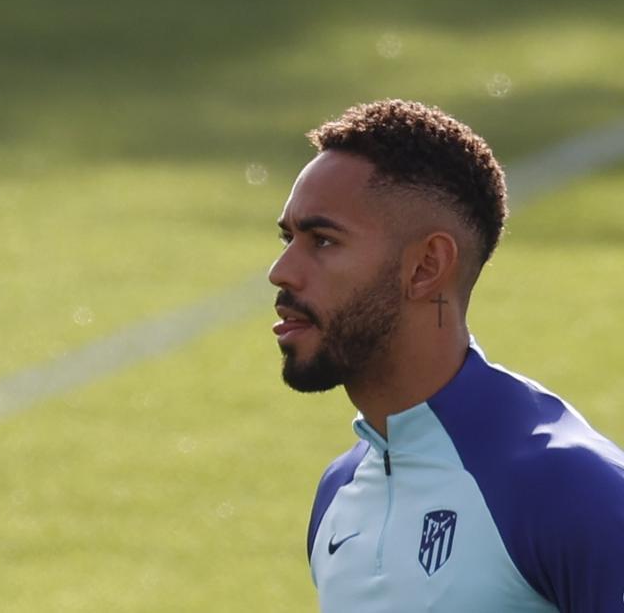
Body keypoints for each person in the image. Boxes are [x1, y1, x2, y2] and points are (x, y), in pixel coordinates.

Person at [267, 99, 624, 612]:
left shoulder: (570, 490)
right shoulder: (341, 490)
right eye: (288, 238)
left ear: (426, 266)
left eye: (322, 241)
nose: (281, 271)